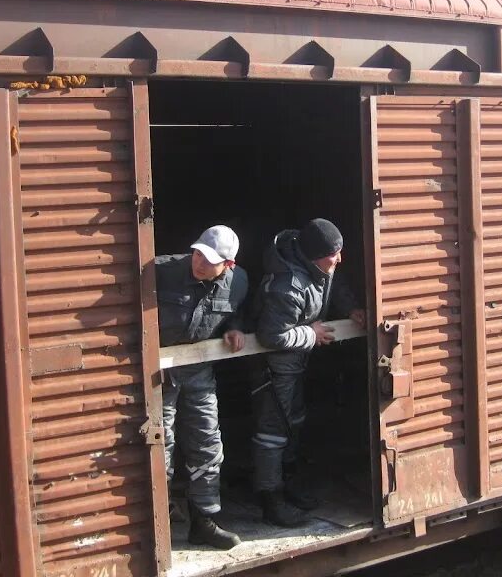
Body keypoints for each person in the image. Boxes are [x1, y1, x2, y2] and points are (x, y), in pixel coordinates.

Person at [250, 218, 366, 527]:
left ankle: (287, 483)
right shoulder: (287, 287)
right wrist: (310, 335)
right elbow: (271, 336)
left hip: (297, 362)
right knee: (272, 433)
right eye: (334, 254)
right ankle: (270, 499)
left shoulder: (320, 265)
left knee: (294, 422)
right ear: (315, 254)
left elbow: (333, 283)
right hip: (275, 368)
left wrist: (350, 308)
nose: (339, 259)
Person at [157, 225, 248, 550]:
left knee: (207, 446)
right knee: (158, 445)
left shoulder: (239, 282)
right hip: (159, 374)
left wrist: (235, 329)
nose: (199, 262)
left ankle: (204, 522)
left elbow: (236, 311)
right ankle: (157, 524)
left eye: (209, 260)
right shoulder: (161, 271)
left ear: (229, 264)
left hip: (198, 370)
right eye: (197, 253)